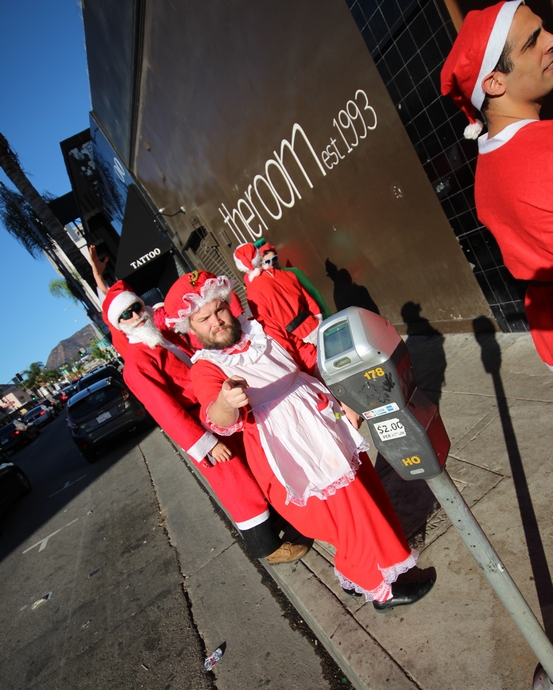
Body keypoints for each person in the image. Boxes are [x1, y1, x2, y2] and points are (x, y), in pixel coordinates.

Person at [164, 270, 435, 610]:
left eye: (219, 309)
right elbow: (215, 418)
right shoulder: (205, 368)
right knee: (344, 512)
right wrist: (225, 403)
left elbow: (310, 360)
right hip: (291, 449)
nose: (216, 321)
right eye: (203, 318)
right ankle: (379, 588)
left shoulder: (265, 329)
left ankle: (369, 568)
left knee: (364, 494)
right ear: (191, 328)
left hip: (327, 421)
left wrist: (347, 402)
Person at [102, 279, 308, 564]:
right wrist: (206, 444)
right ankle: (267, 548)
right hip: (200, 426)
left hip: (216, 408)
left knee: (253, 466)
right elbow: (166, 412)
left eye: (136, 308)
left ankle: (275, 522)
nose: (136, 316)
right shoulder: (136, 363)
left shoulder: (161, 338)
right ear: (118, 323)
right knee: (236, 483)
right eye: (126, 314)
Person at [441, 0, 553, 369]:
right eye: (533, 40)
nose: (550, 41)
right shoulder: (544, 148)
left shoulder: (486, 171)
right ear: (494, 82)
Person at [233, 242, 322, 372]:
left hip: (298, 341)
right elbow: (309, 299)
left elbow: (272, 329)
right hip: (315, 324)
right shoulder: (283, 274)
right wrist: (318, 318)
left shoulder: (252, 294)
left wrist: (293, 360)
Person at [258, 242, 332, 319]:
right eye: (267, 261)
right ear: (261, 265)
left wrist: (326, 314)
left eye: (274, 258)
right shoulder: (263, 286)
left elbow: (313, 292)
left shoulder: (293, 272)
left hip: (313, 319)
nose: (272, 263)